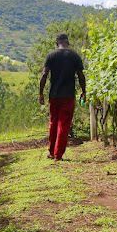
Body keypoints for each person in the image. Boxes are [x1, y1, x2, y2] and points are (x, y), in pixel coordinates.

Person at [39, 33, 86, 161]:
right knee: (63, 124)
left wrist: (41, 93)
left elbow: (44, 75)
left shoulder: (51, 56)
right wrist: (84, 91)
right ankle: (58, 154)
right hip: (68, 96)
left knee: (53, 123)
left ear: (56, 43)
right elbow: (81, 75)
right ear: (67, 43)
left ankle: (51, 151)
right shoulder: (74, 56)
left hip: (54, 95)